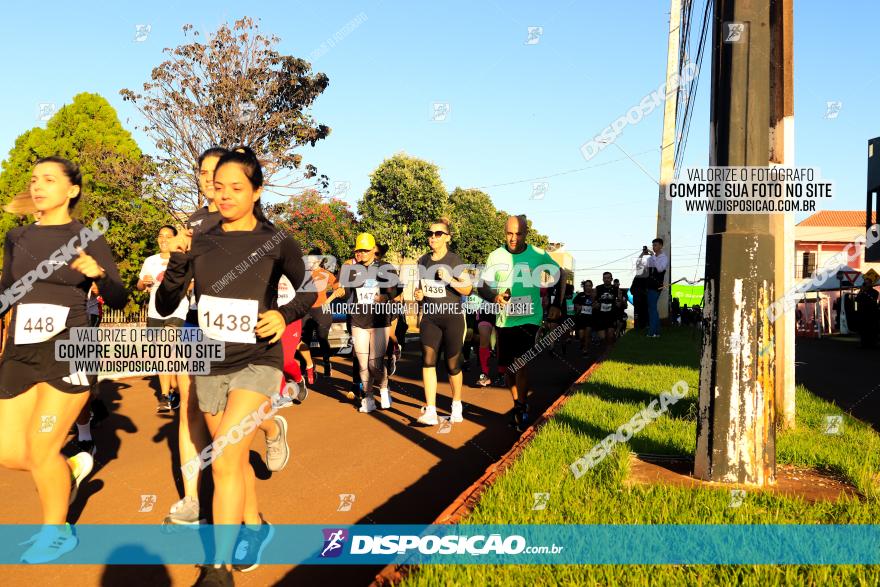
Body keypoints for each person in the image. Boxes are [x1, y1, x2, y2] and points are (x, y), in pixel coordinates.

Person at [156, 147, 316, 583]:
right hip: (209, 360)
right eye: (218, 187)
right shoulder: (200, 238)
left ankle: (217, 569)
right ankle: (256, 526)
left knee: (224, 457)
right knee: (233, 458)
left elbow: (308, 290)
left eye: (236, 188)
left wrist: (284, 315)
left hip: (258, 360)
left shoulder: (275, 241)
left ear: (257, 191)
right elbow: (167, 301)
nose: (224, 195)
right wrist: (178, 263)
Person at [0, 156, 127, 562]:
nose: (38, 186)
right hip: (21, 350)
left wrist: (99, 276)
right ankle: (66, 468)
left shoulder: (86, 236)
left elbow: (121, 296)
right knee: (7, 451)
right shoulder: (16, 236)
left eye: (49, 180)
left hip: (70, 349)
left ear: (72, 190)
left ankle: (57, 531)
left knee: (40, 449)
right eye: (34, 179)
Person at [163, 147, 227, 527]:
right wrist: (178, 261)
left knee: (223, 415)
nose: (205, 177)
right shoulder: (194, 223)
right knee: (189, 405)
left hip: (236, 329)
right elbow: (177, 287)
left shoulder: (247, 221)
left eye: (212, 170)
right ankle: (191, 499)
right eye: (201, 171)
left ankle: (270, 426)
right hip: (196, 322)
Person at [478, 215, 563, 431]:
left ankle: (522, 405)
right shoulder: (495, 256)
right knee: (508, 367)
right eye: (509, 233)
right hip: (505, 319)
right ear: (504, 232)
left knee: (521, 362)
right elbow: (482, 287)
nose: (513, 238)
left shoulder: (537, 254)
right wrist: (495, 297)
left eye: (518, 234)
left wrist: (557, 304)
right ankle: (517, 402)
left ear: (526, 233)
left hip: (530, 318)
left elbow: (560, 274)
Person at [413, 218, 472, 425]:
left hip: (453, 317)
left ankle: (456, 404)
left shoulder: (454, 260)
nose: (433, 237)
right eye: (430, 233)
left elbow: (467, 289)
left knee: (453, 364)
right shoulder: (422, 261)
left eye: (438, 234)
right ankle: (430, 410)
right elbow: (421, 289)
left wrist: (449, 279)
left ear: (447, 237)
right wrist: (419, 295)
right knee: (428, 360)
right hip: (430, 317)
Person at [335, 233, 402, 413]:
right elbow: (348, 294)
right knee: (363, 365)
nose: (361, 253)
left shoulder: (385, 267)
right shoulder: (351, 270)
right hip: (358, 320)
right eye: (358, 250)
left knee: (375, 364)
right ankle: (368, 398)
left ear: (373, 250)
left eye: (365, 250)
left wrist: (386, 297)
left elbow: (398, 289)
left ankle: (385, 386)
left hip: (380, 320)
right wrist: (342, 292)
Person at [138, 225, 190, 413]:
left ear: (175, 239)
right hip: (155, 312)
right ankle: (176, 387)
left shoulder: (182, 260)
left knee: (165, 350)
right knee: (164, 356)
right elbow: (139, 286)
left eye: (168, 236)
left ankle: (164, 396)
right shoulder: (150, 261)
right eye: (161, 236)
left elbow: (192, 286)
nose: (164, 239)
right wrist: (144, 282)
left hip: (177, 309)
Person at [300, 250, 341, 380]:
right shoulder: (303, 273)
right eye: (308, 260)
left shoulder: (325, 273)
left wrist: (328, 301)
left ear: (319, 261)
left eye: (312, 261)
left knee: (322, 338)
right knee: (304, 340)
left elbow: (340, 289)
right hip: (306, 310)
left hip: (321, 310)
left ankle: (327, 363)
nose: (310, 263)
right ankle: (305, 366)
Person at [640, 237, 668, 338]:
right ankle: (656, 331)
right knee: (652, 308)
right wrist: (644, 255)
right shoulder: (651, 258)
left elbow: (660, 269)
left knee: (652, 308)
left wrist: (653, 256)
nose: (654, 247)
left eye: (655, 245)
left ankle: (652, 332)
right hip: (649, 285)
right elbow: (643, 267)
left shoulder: (664, 258)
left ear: (661, 246)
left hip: (656, 285)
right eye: (653, 245)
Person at [594, 272, 618, 345]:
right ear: (603, 279)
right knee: (603, 337)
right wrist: (595, 304)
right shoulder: (598, 288)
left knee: (610, 336)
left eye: (608, 278)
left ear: (611, 279)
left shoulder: (615, 289)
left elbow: (619, 301)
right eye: (605, 278)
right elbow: (594, 300)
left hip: (611, 316)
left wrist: (619, 302)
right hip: (600, 316)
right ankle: (606, 348)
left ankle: (608, 352)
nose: (606, 279)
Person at [573, 280, 594, 356]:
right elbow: (575, 303)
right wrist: (578, 307)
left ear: (592, 286)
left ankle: (585, 350)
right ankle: (582, 343)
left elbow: (597, 305)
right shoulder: (580, 295)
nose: (588, 287)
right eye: (586, 286)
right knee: (581, 336)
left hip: (590, 319)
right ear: (584, 287)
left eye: (589, 286)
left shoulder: (594, 295)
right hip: (581, 319)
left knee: (587, 335)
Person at [856, 281, 879, 348]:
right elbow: (856, 300)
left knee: (872, 329)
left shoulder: (874, 292)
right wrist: (861, 291)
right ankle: (864, 343)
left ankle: (872, 343)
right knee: (863, 330)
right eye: (865, 283)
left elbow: (872, 299)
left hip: (871, 314)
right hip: (863, 314)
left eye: (867, 283)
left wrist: (864, 292)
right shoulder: (862, 292)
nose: (865, 284)